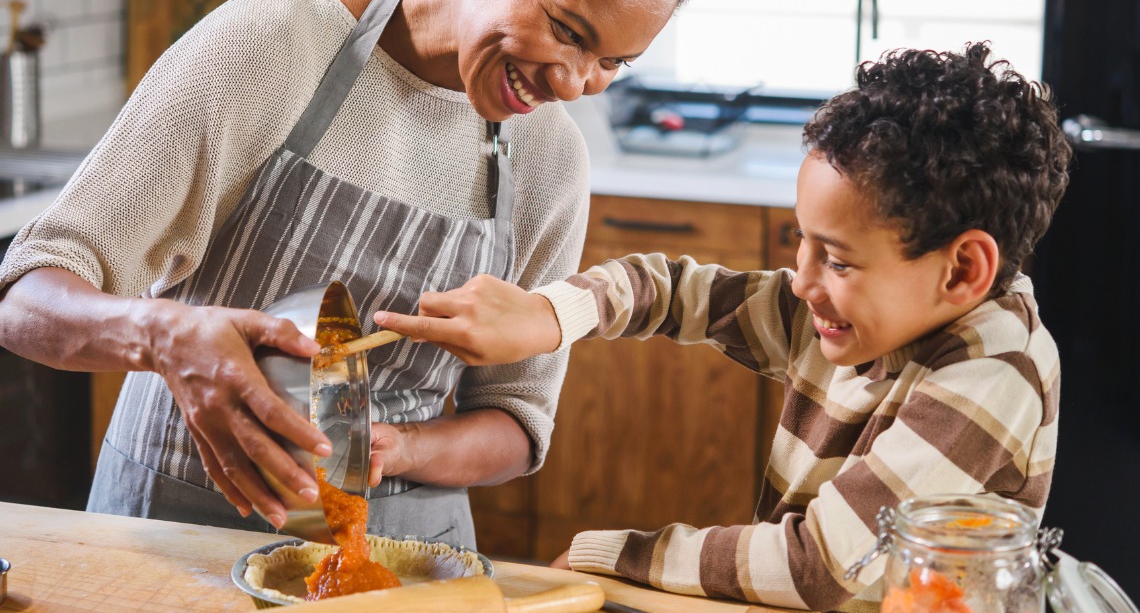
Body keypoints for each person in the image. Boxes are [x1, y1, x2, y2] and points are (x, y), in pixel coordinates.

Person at [0, 0, 743, 546]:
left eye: (612, 63)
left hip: (406, 561)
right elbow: (25, 297)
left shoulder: (551, 161)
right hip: (176, 537)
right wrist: (164, 335)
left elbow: (518, 421)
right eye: (566, 29)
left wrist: (406, 447)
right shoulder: (278, 42)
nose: (574, 81)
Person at [376, 43, 1073, 610]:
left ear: (963, 269)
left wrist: (617, 553)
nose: (802, 280)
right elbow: (673, 290)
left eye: (836, 258)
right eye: (803, 243)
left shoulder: (993, 367)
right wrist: (551, 315)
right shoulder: (856, 314)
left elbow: (817, 565)